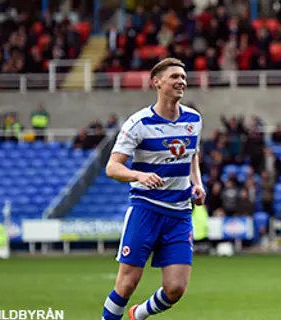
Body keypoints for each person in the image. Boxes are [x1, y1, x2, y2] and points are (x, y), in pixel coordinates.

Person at [101, 58, 206, 320]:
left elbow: (193, 155)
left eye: (183, 76)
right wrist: (138, 174)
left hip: (180, 214)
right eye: (174, 77)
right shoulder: (138, 123)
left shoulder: (194, 119)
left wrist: (197, 184)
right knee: (127, 284)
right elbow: (112, 167)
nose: (181, 81)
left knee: (176, 288)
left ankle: (138, 314)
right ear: (156, 82)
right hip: (146, 209)